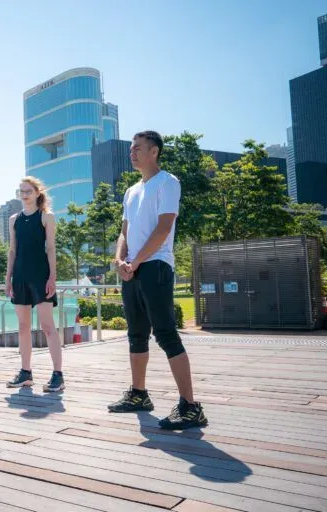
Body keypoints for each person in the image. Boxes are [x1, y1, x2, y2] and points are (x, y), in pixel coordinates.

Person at [108, 130, 208, 430]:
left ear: (154, 151)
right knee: (136, 335)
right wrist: (119, 260)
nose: (132, 152)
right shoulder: (131, 191)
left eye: (138, 148)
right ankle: (139, 394)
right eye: (131, 149)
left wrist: (136, 261)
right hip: (132, 269)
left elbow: (164, 228)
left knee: (165, 334)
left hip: (155, 267)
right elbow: (124, 232)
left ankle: (191, 407)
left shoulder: (168, 182)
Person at [5, 177, 64, 393]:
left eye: (28, 191)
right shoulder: (14, 219)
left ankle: (58, 375)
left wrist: (52, 277)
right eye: (21, 191)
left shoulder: (46, 216)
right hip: (20, 276)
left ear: (38, 192)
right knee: (22, 327)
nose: (24, 194)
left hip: (41, 275)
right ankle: (25, 372)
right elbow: (12, 250)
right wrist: (8, 277)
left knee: (48, 326)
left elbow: (50, 248)